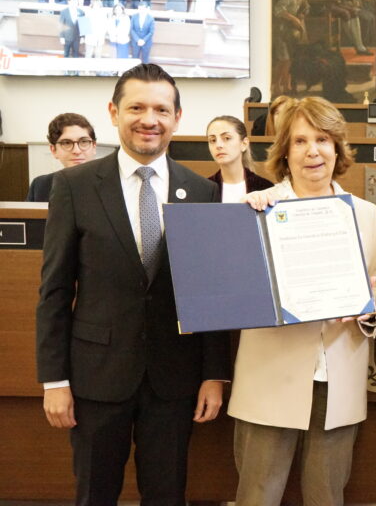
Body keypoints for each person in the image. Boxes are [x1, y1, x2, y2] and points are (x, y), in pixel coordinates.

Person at [35, 63, 230, 505]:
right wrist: (54, 381)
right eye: (136, 107)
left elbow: (212, 294)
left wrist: (214, 373)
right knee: (95, 495)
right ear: (113, 112)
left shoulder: (201, 192)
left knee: (166, 495)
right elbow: (54, 292)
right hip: (95, 379)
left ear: (178, 117)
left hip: (174, 380)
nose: (149, 119)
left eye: (161, 109)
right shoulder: (74, 186)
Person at [228, 96, 376, 506]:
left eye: (322, 139)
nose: (313, 151)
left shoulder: (366, 213)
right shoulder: (256, 210)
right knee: (257, 497)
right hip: (269, 377)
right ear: (285, 152)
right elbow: (233, 292)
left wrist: (371, 306)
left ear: (338, 148)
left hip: (339, 377)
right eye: (300, 141)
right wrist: (245, 226)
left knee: (326, 497)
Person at [27, 113, 97, 202]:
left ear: (94, 146)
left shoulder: (112, 183)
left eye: (83, 142)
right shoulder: (40, 185)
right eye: (67, 143)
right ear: (53, 150)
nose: (77, 151)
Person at [206, 115, 273, 202]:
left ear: (244, 144)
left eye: (227, 138)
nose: (218, 145)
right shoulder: (204, 189)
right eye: (213, 140)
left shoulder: (265, 188)